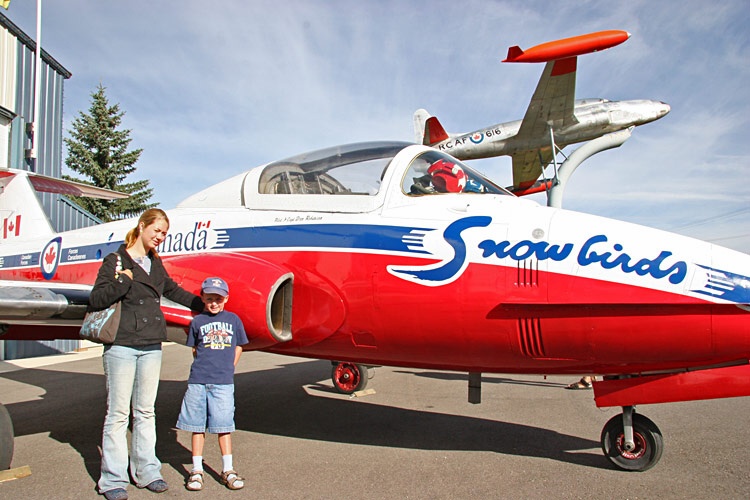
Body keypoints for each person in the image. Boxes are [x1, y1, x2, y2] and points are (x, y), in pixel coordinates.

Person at [89, 208, 204, 500]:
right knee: (117, 414)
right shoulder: (116, 260)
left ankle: (147, 471)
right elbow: (97, 298)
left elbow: (173, 291)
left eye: (164, 233)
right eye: (157, 230)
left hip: (151, 344)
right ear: (142, 226)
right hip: (122, 346)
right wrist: (123, 280)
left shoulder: (155, 263)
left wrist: (204, 304)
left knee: (145, 411)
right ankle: (112, 480)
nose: (160, 237)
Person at [176, 277, 250, 492]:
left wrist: (229, 368)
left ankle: (228, 469)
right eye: (209, 298)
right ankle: (197, 470)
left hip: (223, 383)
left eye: (218, 298)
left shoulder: (234, 320)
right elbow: (195, 348)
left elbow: (238, 346)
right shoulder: (197, 321)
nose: (214, 303)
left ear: (226, 298)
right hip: (198, 381)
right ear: (203, 298)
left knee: (223, 426)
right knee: (196, 427)